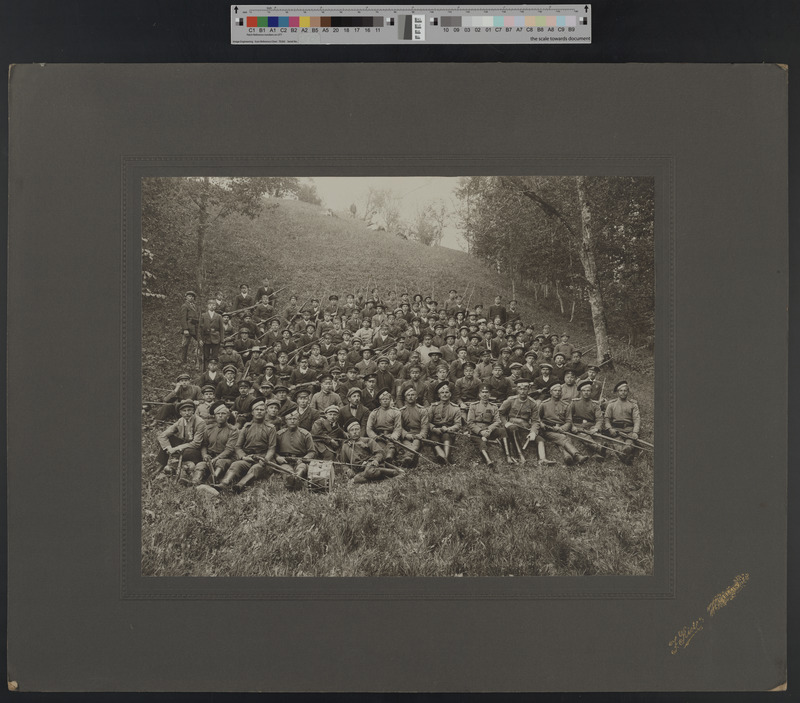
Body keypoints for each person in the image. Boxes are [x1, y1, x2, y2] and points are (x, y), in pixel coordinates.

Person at [217, 398, 278, 491]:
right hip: (249, 457)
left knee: (256, 468)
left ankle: (240, 486)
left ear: (265, 412)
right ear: (252, 412)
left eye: (262, 410)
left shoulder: (271, 428)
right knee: (236, 465)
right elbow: (238, 446)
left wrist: (265, 460)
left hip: (263, 459)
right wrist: (244, 457)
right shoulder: (247, 427)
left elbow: (272, 448)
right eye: (257, 410)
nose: (259, 412)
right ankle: (224, 483)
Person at [537, 384, 588, 466]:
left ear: (561, 392)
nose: (557, 392)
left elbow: (569, 420)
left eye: (559, 391)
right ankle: (577, 455)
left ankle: (567, 457)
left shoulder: (566, 405)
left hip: (562, 429)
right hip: (548, 430)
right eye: (555, 390)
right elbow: (537, 418)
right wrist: (541, 424)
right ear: (551, 392)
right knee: (563, 437)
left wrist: (562, 428)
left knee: (564, 438)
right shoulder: (544, 404)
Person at [467, 384, 517, 466]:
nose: (484, 394)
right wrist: (481, 432)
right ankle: (488, 461)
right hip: (477, 432)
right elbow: (470, 422)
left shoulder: (494, 406)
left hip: (490, 430)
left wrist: (490, 429)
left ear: (490, 394)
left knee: (502, 431)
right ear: (479, 394)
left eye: (486, 392)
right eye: (482, 392)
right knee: (481, 443)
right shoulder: (473, 406)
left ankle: (508, 456)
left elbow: (497, 421)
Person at [338, 420, 399, 484]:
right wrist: (347, 470)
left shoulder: (368, 440)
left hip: (372, 465)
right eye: (352, 430)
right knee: (360, 477)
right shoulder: (346, 446)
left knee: (367, 472)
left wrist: (376, 460)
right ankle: (381, 476)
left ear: (360, 430)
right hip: (359, 470)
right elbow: (343, 463)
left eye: (357, 429)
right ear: (348, 433)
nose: (355, 432)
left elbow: (380, 452)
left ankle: (391, 472)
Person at [192, 401, 239, 485]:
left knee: (220, 463)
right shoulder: (209, 428)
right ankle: (195, 481)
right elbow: (204, 445)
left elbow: (229, 449)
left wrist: (217, 458)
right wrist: (205, 455)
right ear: (215, 416)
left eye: (223, 413)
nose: (220, 416)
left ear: (228, 416)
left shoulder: (233, 430)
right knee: (200, 465)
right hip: (211, 457)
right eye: (218, 414)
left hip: (227, 459)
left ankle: (214, 481)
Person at [156, 399, 205, 477]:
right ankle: (162, 465)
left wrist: (176, 448)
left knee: (183, 452)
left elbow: (196, 443)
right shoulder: (180, 421)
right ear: (180, 413)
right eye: (184, 411)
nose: (187, 413)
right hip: (184, 444)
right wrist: (169, 448)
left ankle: (174, 466)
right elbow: (163, 435)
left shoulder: (200, 422)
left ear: (193, 411)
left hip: (195, 449)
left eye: (189, 410)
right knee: (169, 440)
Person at [274, 409, 317, 490]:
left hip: (300, 460)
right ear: (286, 421)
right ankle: (289, 480)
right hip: (285, 461)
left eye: (295, 419)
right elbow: (274, 450)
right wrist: (278, 457)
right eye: (290, 419)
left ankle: (298, 478)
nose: (292, 421)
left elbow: (312, 451)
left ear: (298, 420)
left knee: (301, 468)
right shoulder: (279, 434)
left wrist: (304, 459)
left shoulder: (305, 434)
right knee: (286, 470)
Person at [499, 378, 539, 464]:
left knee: (539, 438)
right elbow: (500, 413)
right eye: (520, 389)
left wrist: (533, 432)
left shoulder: (533, 403)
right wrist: (506, 423)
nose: (523, 391)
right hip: (510, 425)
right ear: (517, 389)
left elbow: (535, 420)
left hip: (524, 427)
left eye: (525, 389)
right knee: (513, 429)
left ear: (529, 389)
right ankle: (520, 454)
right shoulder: (511, 400)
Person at [603, 380, 642, 463]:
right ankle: (626, 456)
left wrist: (635, 432)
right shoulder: (611, 404)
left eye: (625, 391)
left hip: (629, 430)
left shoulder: (633, 404)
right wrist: (610, 429)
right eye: (621, 391)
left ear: (628, 392)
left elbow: (637, 419)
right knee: (617, 442)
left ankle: (624, 454)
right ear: (618, 392)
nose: (623, 393)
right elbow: (606, 419)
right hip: (616, 430)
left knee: (629, 443)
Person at [569, 379, 606, 461]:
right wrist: (572, 426)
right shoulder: (574, 403)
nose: (586, 392)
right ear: (580, 392)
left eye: (588, 390)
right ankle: (598, 448)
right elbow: (568, 417)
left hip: (591, 426)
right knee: (584, 436)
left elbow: (599, 419)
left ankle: (598, 453)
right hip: (578, 426)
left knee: (597, 436)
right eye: (584, 391)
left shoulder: (595, 404)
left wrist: (596, 428)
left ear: (591, 392)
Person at [428, 381, 462, 464]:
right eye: (442, 393)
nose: (444, 394)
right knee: (434, 439)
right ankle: (441, 456)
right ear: (439, 395)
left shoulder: (455, 408)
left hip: (448, 431)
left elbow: (458, 424)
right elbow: (426, 422)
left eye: (447, 392)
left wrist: (448, 429)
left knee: (447, 437)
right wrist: (434, 428)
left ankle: (446, 457)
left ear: (450, 394)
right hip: (435, 430)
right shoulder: (433, 407)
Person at [366, 388, 403, 462]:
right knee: (378, 448)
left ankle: (390, 458)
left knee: (392, 447)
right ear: (380, 401)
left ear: (390, 400)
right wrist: (376, 437)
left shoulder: (396, 412)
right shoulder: (374, 413)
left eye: (387, 399)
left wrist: (393, 437)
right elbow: (369, 428)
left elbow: (398, 428)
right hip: (379, 436)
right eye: (383, 399)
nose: (385, 401)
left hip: (391, 436)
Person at [398, 387, 429, 467]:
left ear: (416, 397)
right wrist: (406, 434)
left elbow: (425, 426)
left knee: (416, 443)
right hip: (407, 435)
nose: (410, 397)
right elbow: (399, 426)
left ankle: (407, 458)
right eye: (408, 395)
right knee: (406, 445)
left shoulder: (422, 410)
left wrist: (421, 435)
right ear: (405, 397)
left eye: (412, 395)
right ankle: (409, 459)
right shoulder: (401, 411)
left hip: (418, 435)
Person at [198, 298, 224, 369]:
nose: (212, 306)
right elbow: (200, 328)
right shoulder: (203, 315)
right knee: (206, 356)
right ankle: (206, 370)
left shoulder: (219, 316)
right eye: (210, 305)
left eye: (213, 305)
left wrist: (222, 340)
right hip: (206, 339)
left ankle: (214, 370)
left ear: (215, 306)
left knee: (214, 356)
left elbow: (222, 329)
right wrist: (200, 339)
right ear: (207, 306)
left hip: (216, 338)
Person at [179, 290, 200, 364]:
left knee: (199, 344)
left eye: (192, 296)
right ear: (186, 297)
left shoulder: (194, 306)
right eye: (189, 296)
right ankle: (183, 362)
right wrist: (185, 329)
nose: (191, 298)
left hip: (195, 329)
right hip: (188, 328)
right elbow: (183, 318)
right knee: (185, 345)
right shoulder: (185, 306)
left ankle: (197, 362)